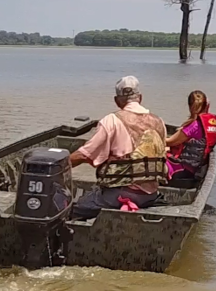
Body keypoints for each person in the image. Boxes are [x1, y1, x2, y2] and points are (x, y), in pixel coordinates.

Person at [68, 76, 168, 219]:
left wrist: (59, 165)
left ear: (117, 100)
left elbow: (85, 155)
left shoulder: (111, 120)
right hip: (150, 196)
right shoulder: (160, 122)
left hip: (118, 195)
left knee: (74, 210)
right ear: (140, 97)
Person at [165, 90, 216, 187]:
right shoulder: (207, 124)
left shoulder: (193, 126)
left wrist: (152, 138)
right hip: (197, 168)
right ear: (206, 105)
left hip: (184, 170)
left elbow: (169, 142)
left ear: (190, 106)